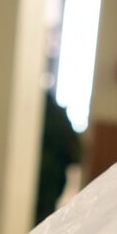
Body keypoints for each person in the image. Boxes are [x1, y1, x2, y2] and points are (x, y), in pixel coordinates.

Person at [35, 88, 81, 225]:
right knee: (45, 215)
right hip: (55, 174)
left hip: (43, 173)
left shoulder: (36, 116)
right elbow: (74, 150)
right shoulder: (59, 114)